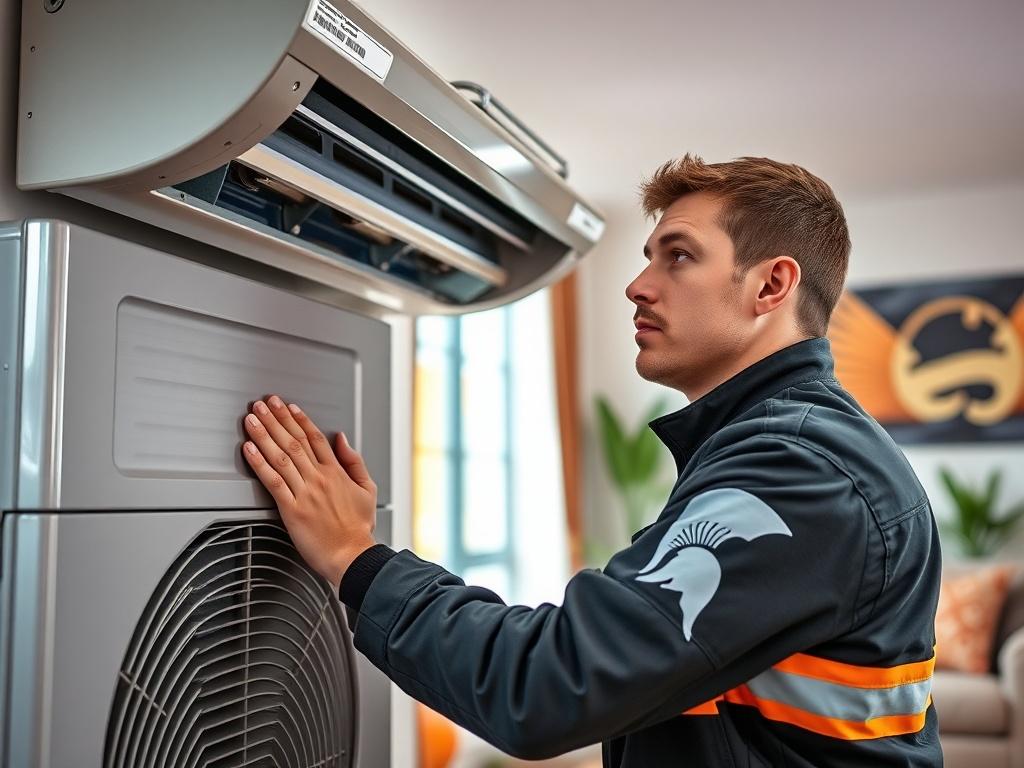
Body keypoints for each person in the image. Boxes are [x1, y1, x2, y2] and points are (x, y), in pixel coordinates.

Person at [239, 155, 942, 767]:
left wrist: (354, 558)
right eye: (647, 258)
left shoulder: (801, 471)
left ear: (770, 287)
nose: (638, 285)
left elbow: (548, 685)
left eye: (679, 255)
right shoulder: (791, 448)